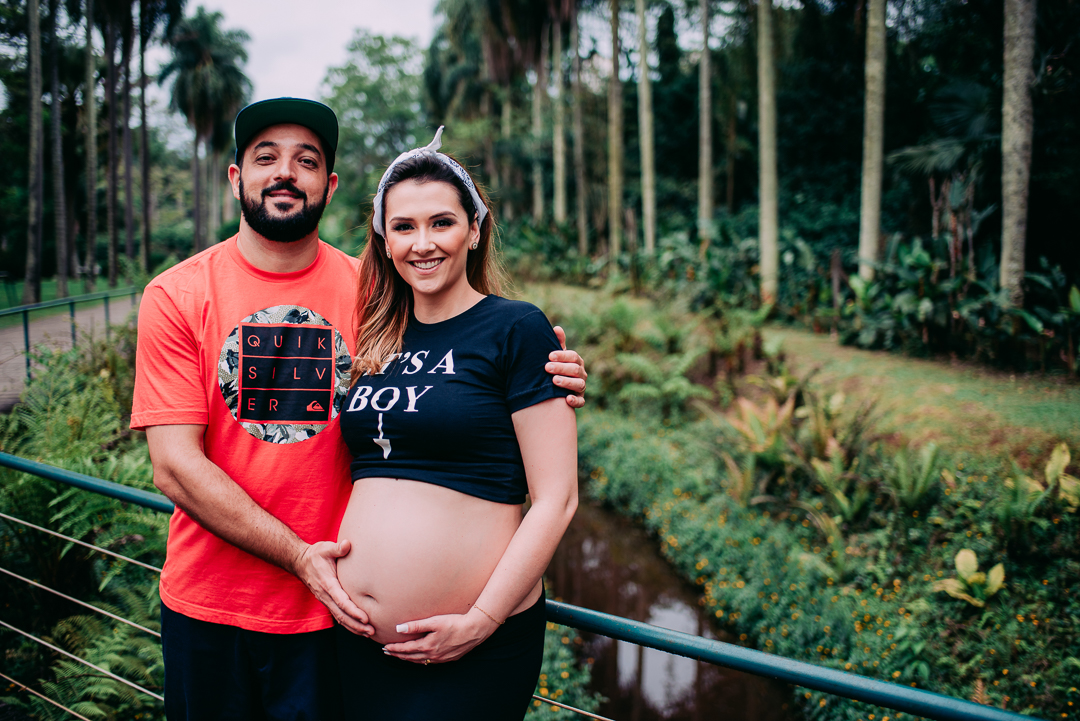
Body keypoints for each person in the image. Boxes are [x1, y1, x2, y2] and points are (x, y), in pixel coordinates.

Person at [130, 98, 588, 720]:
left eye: (307, 161)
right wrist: (299, 557)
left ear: (331, 185)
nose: (285, 173)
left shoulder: (375, 296)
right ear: (236, 178)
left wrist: (552, 367)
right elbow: (174, 466)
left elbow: (466, 336)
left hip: (332, 621)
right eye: (265, 158)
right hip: (215, 605)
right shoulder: (177, 294)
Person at [332, 128, 578, 720]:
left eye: (441, 223)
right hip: (356, 643)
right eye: (403, 227)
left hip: (473, 646)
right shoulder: (372, 339)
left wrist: (483, 620)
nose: (423, 243)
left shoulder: (517, 329)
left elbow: (557, 499)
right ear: (384, 239)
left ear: (474, 229)